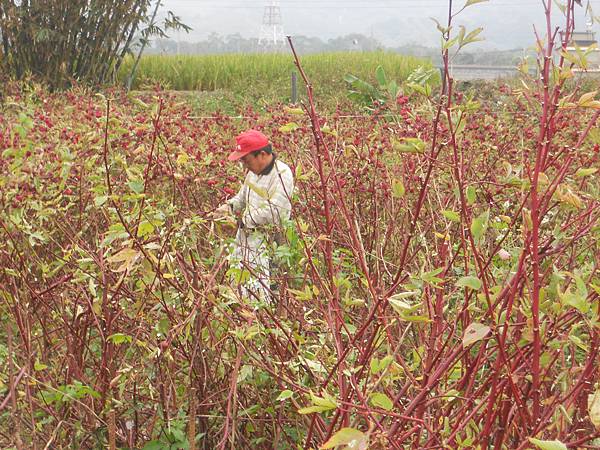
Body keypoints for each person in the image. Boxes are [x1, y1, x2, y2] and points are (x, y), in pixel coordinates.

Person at [214, 129, 295, 303]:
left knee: (267, 294)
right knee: (242, 287)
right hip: (247, 239)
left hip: (271, 242)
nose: (244, 164)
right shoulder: (252, 173)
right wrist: (229, 207)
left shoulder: (282, 174)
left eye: (246, 159)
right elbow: (242, 198)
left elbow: (276, 212)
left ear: (263, 154)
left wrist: (242, 220)